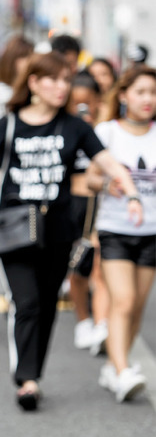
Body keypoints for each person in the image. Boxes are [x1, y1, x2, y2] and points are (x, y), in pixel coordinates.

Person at [0, 52, 143, 410]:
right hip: (15, 231)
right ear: (33, 83)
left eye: (65, 80)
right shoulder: (7, 126)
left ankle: (33, 373)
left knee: (46, 305)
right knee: (25, 302)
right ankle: (26, 379)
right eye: (52, 80)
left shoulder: (74, 127)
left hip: (58, 232)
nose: (61, 87)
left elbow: (106, 163)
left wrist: (130, 191)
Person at [86, 66, 156, 402]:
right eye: (141, 92)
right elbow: (89, 180)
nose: (148, 99)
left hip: (151, 232)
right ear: (124, 95)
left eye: (153, 93)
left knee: (138, 306)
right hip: (115, 230)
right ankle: (122, 369)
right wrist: (108, 184)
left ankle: (116, 367)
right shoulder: (107, 132)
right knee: (124, 300)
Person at [66, 72, 110, 354]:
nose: (83, 109)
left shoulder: (105, 129)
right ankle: (83, 319)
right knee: (76, 267)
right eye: (77, 104)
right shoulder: (64, 128)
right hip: (70, 203)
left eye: (88, 103)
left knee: (99, 268)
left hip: (100, 204)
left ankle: (102, 325)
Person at [0, 35, 34, 123]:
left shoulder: (34, 89)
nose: (28, 61)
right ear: (12, 60)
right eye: (24, 56)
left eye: (31, 56)